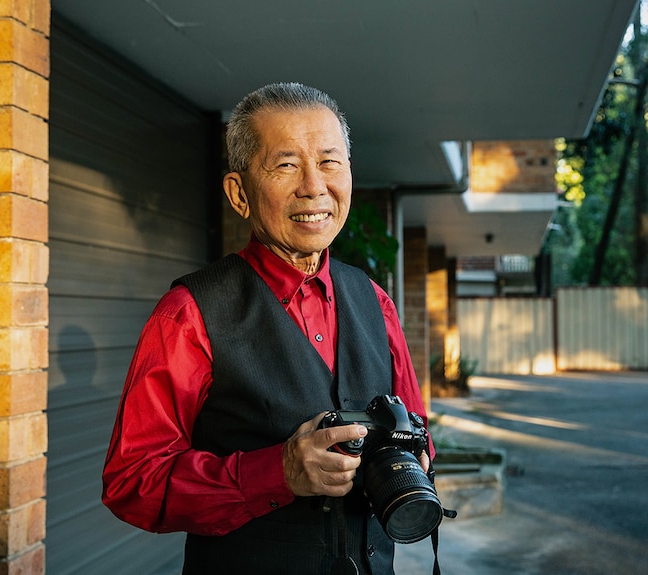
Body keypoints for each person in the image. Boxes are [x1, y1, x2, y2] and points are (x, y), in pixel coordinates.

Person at [102, 82, 433, 574]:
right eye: (285, 165)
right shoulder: (190, 313)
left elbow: (420, 433)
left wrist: (414, 456)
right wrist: (276, 473)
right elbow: (133, 481)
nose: (313, 187)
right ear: (239, 194)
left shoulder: (374, 300)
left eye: (329, 162)